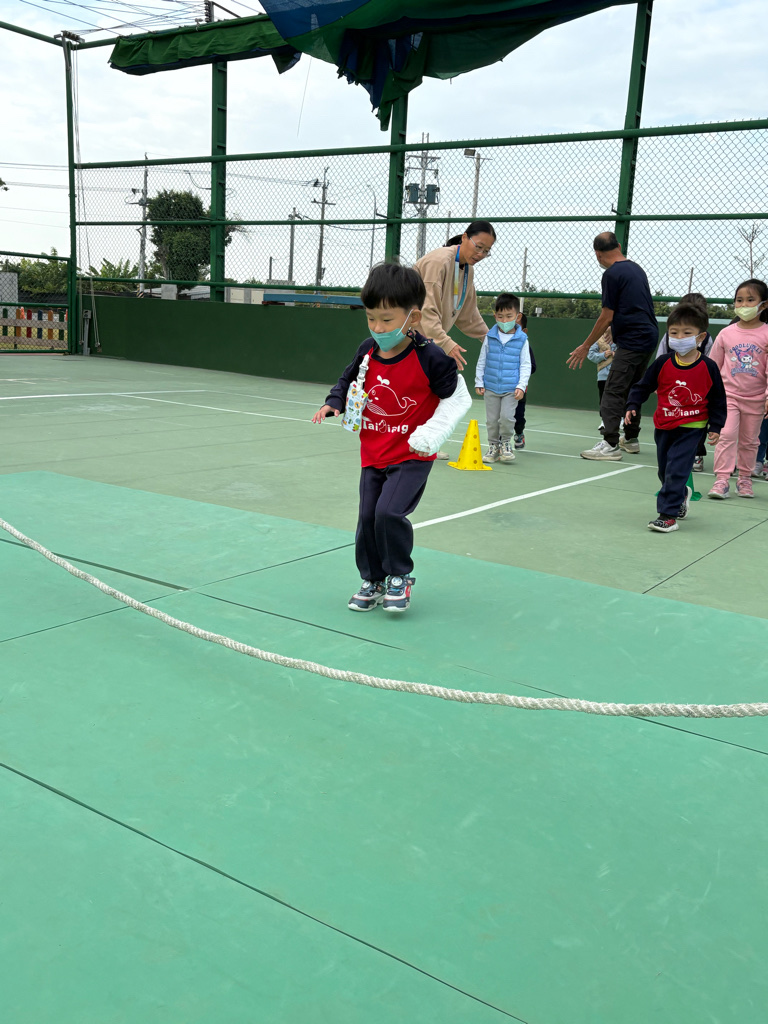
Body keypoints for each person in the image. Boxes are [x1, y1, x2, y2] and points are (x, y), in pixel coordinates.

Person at [312, 262, 470, 613]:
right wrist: (334, 402)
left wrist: (432, 434)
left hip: (411, 456)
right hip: (373, 452)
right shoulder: (367, 350)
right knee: (367, 517)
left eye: (386, 319)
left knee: (388, 512)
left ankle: (399, 575)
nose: (378, 327)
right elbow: (347, 381)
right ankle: (373, 579)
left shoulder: (431, 358)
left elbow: (457, 397)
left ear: (413, 318)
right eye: (371, 318)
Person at [624, 303, 726, 533]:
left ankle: (667, 515)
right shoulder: (662, 363)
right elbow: (643, 386)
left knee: (676, 469)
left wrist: (716, 426)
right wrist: (632, 404)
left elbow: (718, 399)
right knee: (664, 470)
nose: (679, 337)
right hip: (664, 425)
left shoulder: (708, 367)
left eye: (686, 333)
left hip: (692, 427)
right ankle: (680, 495)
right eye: (674, 332)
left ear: (700, 337)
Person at [567, 231, 659, 460]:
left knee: (612, 391)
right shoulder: (636, 269)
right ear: (618, 245)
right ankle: (631, 438)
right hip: (648, 336)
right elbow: (634, 307)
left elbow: (606, 315)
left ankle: (610, 444)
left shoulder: (611, 274)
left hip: (633, 341)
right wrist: (614, 327)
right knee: (633, 388)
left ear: (598, 254)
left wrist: (585, 346)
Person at [414, 220, 495, 458]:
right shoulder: (439, 261)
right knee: (421, 391)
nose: (481, 254)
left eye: (487, 251)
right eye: (479, 247)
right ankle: (416, 443)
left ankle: (422, 442)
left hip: (427, 340)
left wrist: (491, 338)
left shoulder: (466, 269)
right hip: (409, 337)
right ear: (464, 237)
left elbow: (468, 312)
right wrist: (446, 342)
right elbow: (426, 310)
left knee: (429, 391)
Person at [707, 278, 768, 499]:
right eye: (739, 300)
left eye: (750, 300)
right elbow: (713, 367)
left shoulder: (766, 333)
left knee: (750, 441)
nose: (744, 305)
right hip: (728, 397)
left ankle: (744, 479)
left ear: (764, 304)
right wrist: (710, 396)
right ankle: (722, 480)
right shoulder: (726, 333)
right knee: (726, 435)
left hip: (756, 399)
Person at [656, 293, 714, 472]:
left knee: (697, 421)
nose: (680, 336)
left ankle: (697, 453)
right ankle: (671, 452)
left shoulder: (706, 340)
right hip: (673, 388)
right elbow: (660, 358)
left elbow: (711, 360)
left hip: (695, 390)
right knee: (672, 422)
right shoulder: (669, 337)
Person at [474, 293, 531, 464]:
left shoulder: (522, 340)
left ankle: (506, 444)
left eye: (509, 316)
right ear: (495, 316)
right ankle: (493, 447)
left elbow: (525, 365)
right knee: (492, 421)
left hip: (510, 389)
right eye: (500, 316)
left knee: (507, 418)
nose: (504, 320)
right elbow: (482, 360)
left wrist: (521, 386)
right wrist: (479, 381)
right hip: (491, 387)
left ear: (517, 316)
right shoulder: (489, 337)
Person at [513, 312, 536, 449]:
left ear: (524, 331)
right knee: (500, 416)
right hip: (501, 388)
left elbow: (532, 366)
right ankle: (499, 441)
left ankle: (519, 433)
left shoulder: (525, 346)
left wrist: (519, 373)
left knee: (518, 417)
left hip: (519, 389)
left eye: (516, 326)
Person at [586, 325, 616, 431]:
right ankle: (604, 421)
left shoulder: (620, 339)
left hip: (618, 374)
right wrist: (603, 355)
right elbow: (590, 355)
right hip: (603, 376)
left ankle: (621, 420)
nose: (608, 327)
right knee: (604, 399)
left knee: (619, 398)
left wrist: (615, 354)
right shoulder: (598, 340)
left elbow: (626, 354)